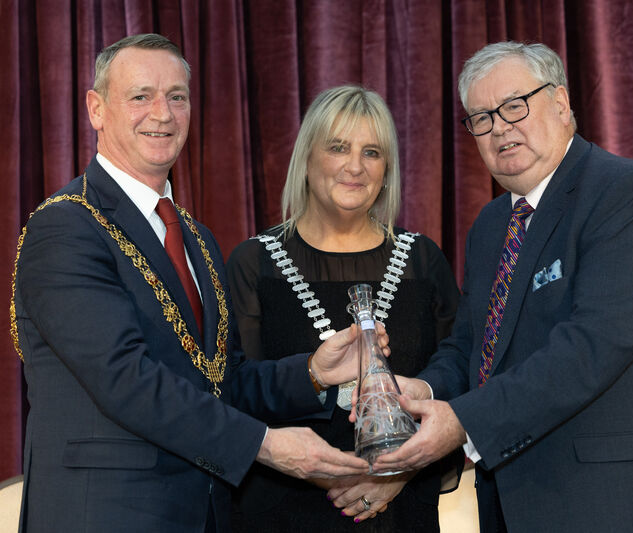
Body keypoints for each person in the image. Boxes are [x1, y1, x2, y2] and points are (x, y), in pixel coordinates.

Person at [369, 41, 633, 532]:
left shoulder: (628, 197)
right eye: (481, 118)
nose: (500, 127)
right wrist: (418, 391)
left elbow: (588, 350)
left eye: (514, 105)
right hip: (525, 503)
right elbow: (474, 347)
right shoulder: (491, 226)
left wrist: (463, 422)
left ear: (561, 103)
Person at [10, 34, 386, 533]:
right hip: (101, 515)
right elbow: (126, 379)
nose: (162, 113)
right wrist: (267, 446)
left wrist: (315, 372)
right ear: (96, 109)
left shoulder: (197, 239)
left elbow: (219, 381)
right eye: (140, 96)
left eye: (177, 96)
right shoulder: (64, 227)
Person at [225, 85, 461, 532]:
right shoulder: (252, 263)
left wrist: (399, 472)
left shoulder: (422, 260)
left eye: (371, 152)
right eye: (338, 147)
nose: (355, 166)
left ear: (387, 168)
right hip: (279, 512)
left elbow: (461, 375)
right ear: (307, 158)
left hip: (401, 510)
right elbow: (234, 393)